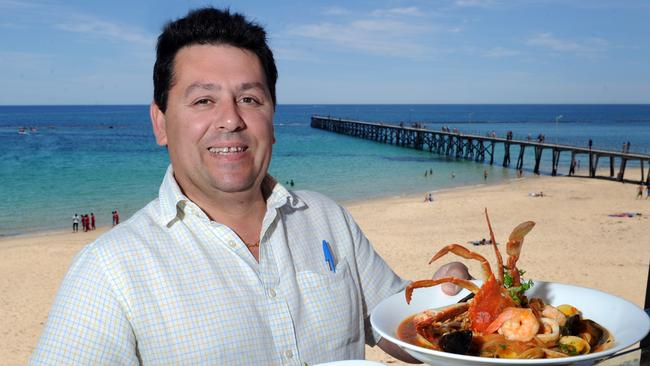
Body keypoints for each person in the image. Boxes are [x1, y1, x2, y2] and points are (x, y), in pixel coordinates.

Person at [30, 8, 469, 365]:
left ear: (272, 120)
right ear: (160, 123)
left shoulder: (326, 218)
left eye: (250, 99)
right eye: (204, 100)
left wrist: (457, 301)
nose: (231, 119)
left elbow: (400, 328)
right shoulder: (109, 270)